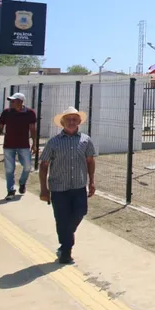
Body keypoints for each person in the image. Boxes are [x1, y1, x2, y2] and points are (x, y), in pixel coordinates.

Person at [39, 107, 96, 265]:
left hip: (78, 186)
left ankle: (65, 238)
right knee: (62, 218)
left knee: (80, 212)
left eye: (74, 119)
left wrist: (92, 181)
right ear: (62, 123)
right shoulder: (53, 142)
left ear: (79, 122)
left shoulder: (85, 140)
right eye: (68, 119)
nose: (71, 122)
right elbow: (44, 165)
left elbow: (90, 161)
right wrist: (44, 189)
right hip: (59, 188)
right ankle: (66, 251)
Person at [0, 93, 38, 200]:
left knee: (27, 166)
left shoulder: (30, 113)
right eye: (11, 101)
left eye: (13, 101)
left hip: (23, 145)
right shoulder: (6, 112)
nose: (11, 103)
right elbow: (0, 127)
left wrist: (34, 144)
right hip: (9, 145)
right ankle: (10, 190)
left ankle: (22, 182)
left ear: (21, 102)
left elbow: (33, 129)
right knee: (9, 169)